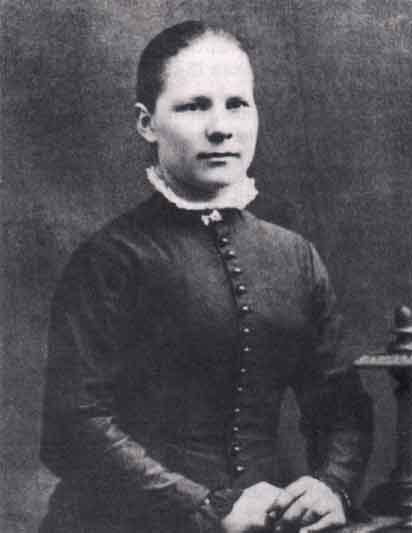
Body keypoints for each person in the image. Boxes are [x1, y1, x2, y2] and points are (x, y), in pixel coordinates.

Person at [40, 20, 373, 533]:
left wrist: (332, 484)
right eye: (194, 106)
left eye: (237, 104)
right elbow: (72, 428)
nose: (221, 128)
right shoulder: (109, 259)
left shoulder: (295, 257)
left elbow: (342, 409)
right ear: (147, 123)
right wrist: (208, 507)